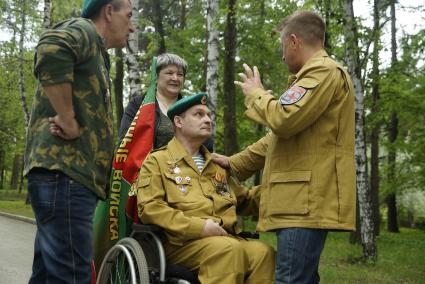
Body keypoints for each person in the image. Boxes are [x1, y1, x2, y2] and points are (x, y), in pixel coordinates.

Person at [213, 11, 356, 283]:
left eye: (282, 48)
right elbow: (279, 137)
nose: (282, 56)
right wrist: (236, 163)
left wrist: (257, 94)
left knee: (290, 280)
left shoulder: (323, 72)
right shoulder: (314, 76)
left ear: (293, 41)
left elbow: (283, 119)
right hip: (299, 203)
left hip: (303, 207)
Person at [23, 0, 134, 283]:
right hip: (65, 176)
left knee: (48, 275)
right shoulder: (84, 30)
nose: (131, 27)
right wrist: (68, 119)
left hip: (68, 180)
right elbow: (51, 48)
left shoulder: (97, 55)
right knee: (72, 276)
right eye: (129, 16)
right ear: (109, 12)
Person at [136, 93, 275, 284]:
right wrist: (199, 227)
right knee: (227, 251)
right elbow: (150, 208)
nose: (208, 120)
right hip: (182, 243)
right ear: (178, 121)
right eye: (199, 114)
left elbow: (244, 200)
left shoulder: (216, 164)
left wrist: (277, 188)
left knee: (263, 253)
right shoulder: (157, 161)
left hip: (226, 238)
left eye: (209, 115)